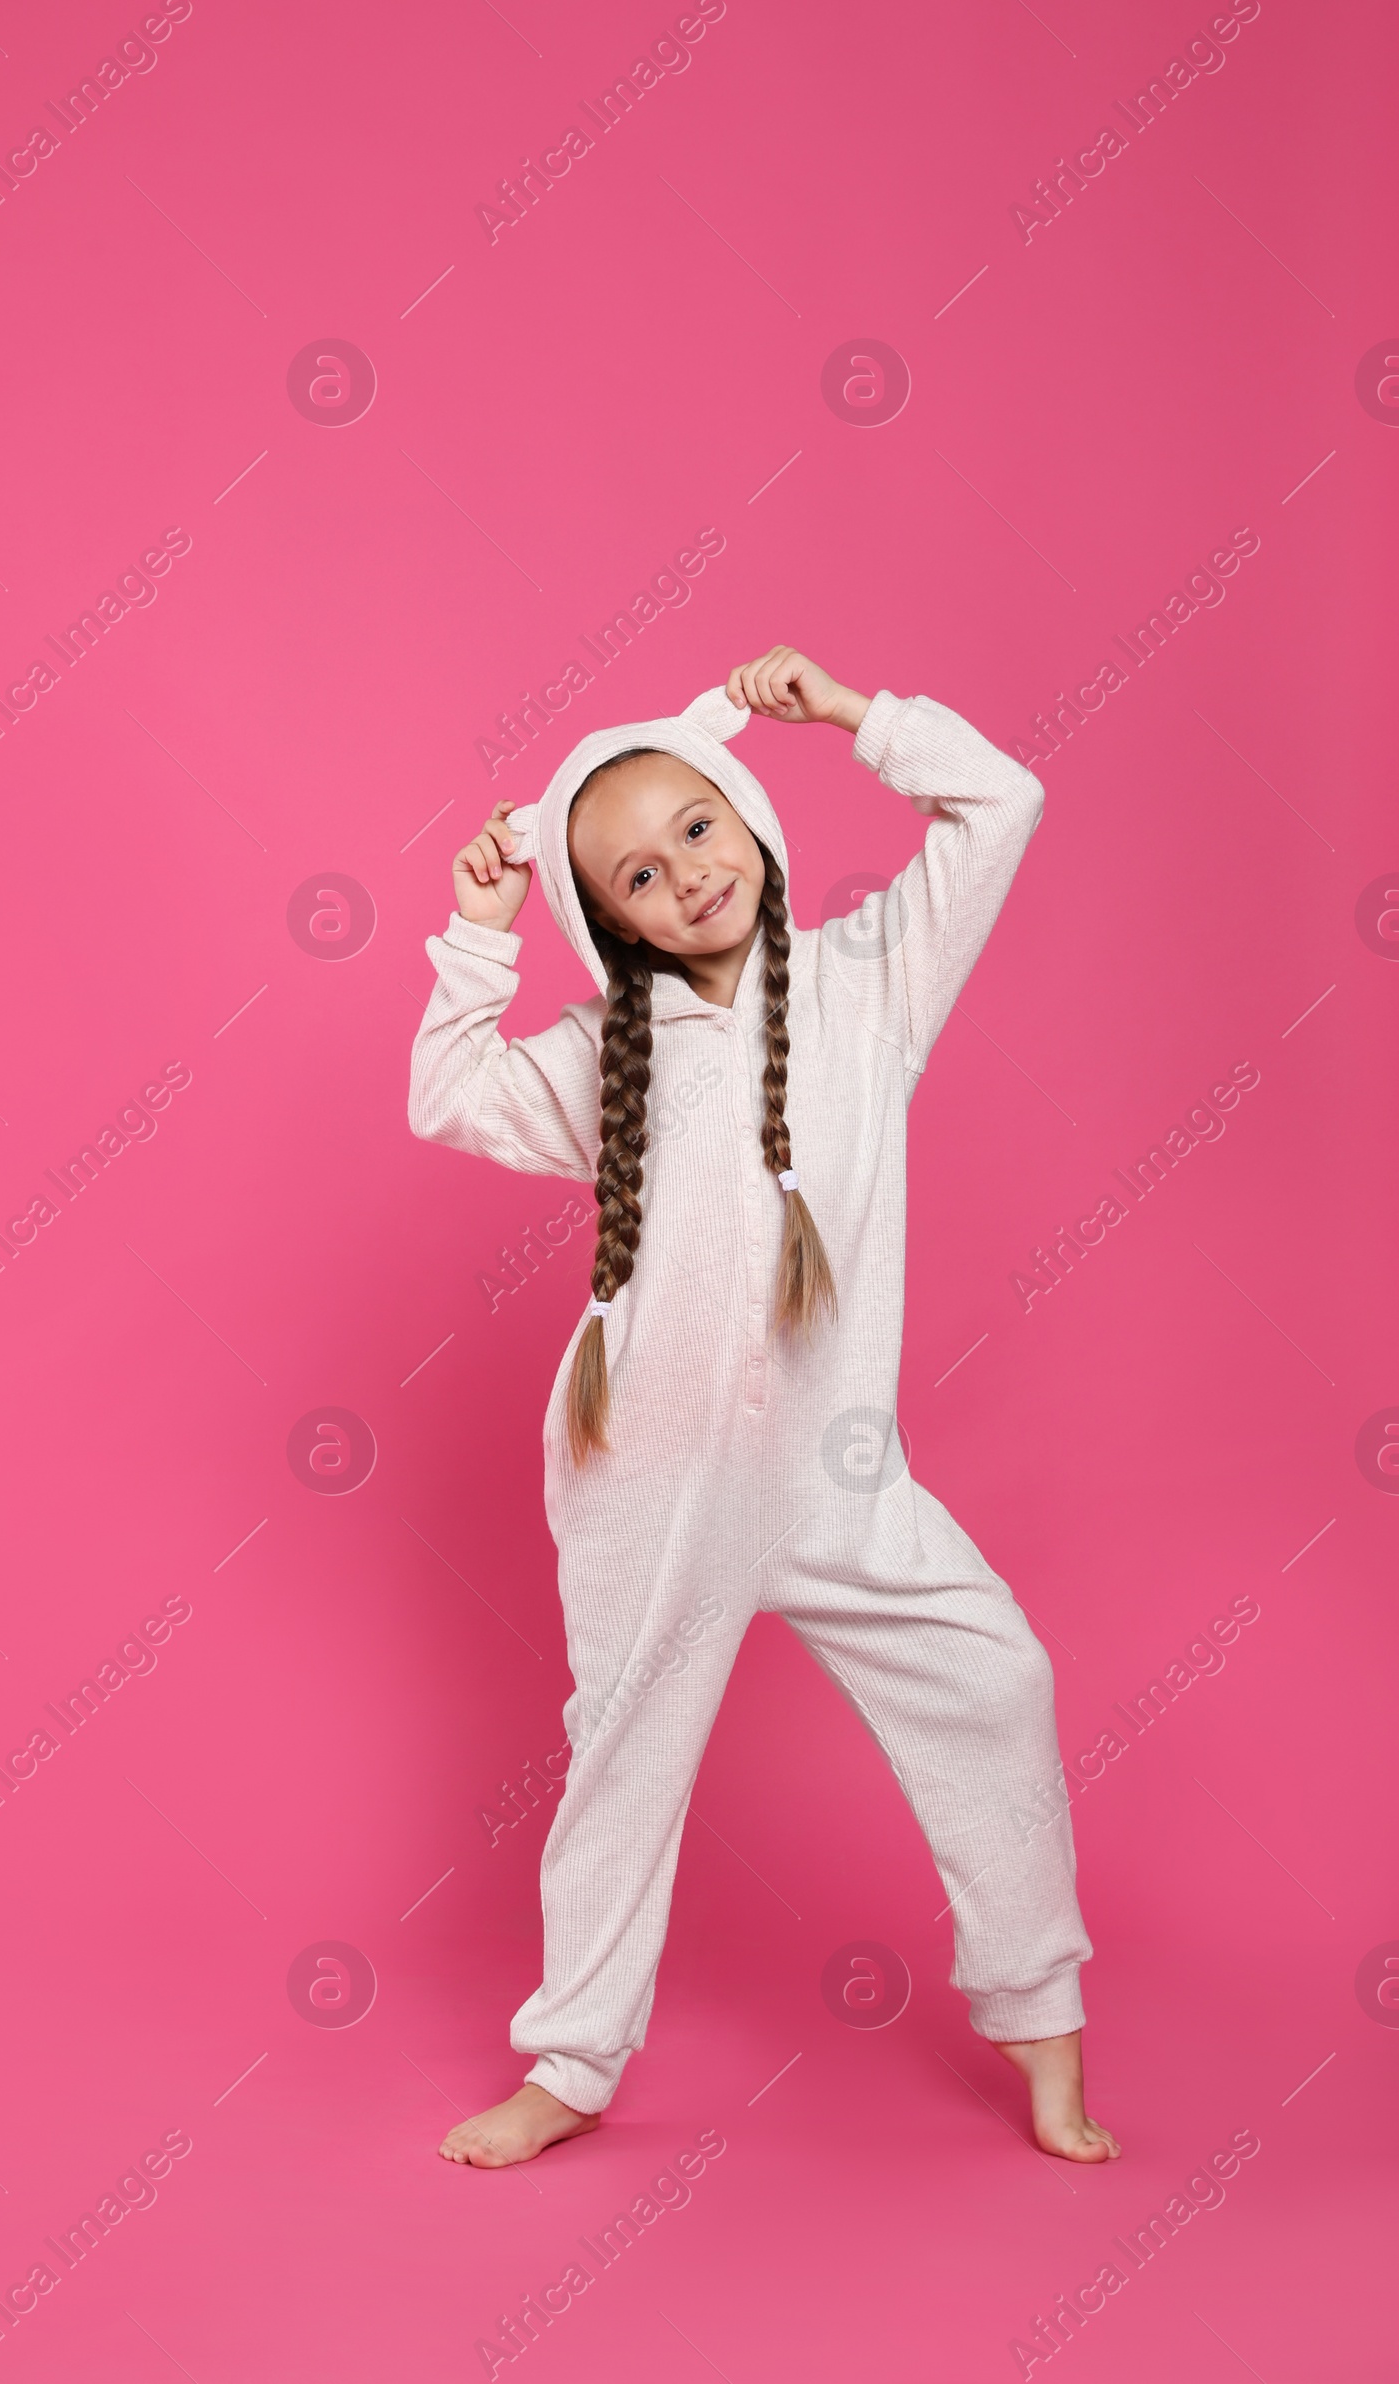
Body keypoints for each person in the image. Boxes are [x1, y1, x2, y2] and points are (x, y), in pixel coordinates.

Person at [409, 646, 1119, 2168]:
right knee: (620, 1758)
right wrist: (476, 933)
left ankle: (1043, 2030)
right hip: (649, 1486)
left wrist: (855, 717)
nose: (685, 876)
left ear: (748, 815)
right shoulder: (610, 1058)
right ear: (611, 924)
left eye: (699, 830)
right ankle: (571, 2066)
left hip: (839, 1470)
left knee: (997, 1681)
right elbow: (446, 1095)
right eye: (639, 876)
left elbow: (1002, 802)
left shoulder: (871, 985)